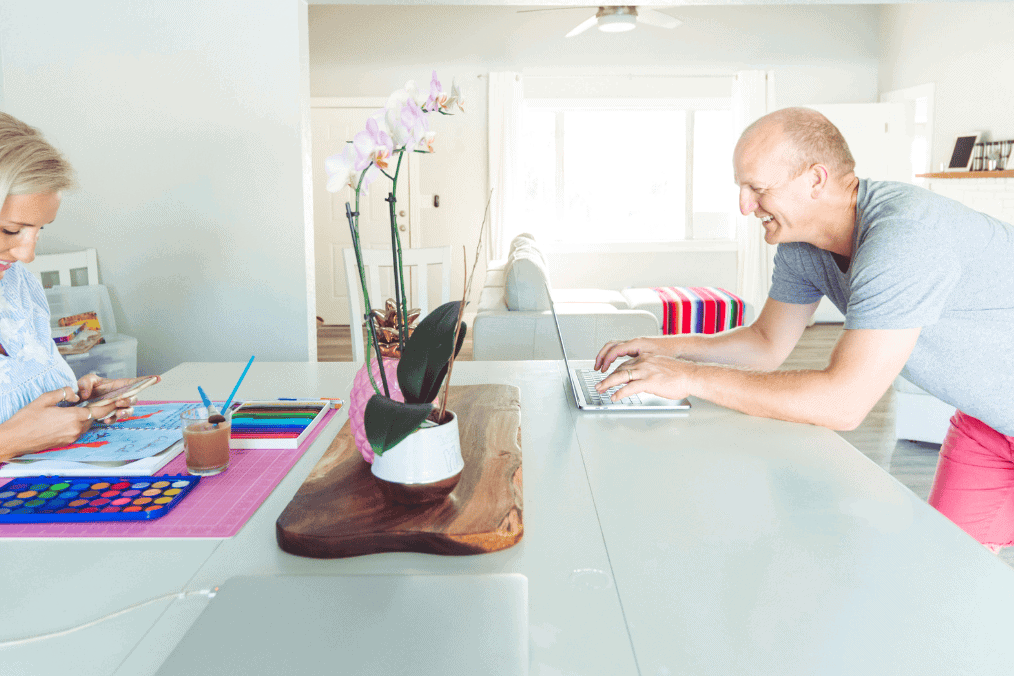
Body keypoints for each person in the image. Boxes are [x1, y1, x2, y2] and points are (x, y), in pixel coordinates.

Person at [595, 106, 1014, 552]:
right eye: (741, 188)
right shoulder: (802, 248)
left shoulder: (906, 237)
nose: (744, 206)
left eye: (757, 188)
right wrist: (668, 352)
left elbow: (844, 402)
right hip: (989, 423)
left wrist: (691, 378)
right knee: (951, 577)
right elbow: (766, 343)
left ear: (815, 180)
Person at [0, 111, 156, 461]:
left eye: (40, 230)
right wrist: (8, 442)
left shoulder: (17, 283)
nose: (27, 254)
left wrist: (74, 399)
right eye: (11, 230)